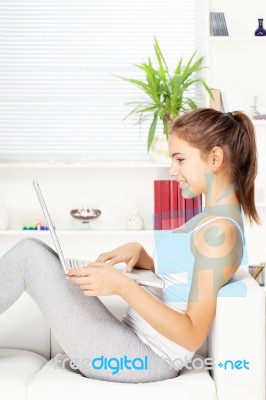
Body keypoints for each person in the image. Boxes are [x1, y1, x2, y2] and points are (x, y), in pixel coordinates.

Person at [0, 108, 260, 384]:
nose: (173, 171)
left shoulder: (219, 233)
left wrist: (124, 286)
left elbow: (193, 333)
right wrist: (144, 256)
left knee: (30, 256)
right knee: (41, 254)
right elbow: (186, 276)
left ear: (215, 158)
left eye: (180, 160)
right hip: (132, 344)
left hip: (144, 360)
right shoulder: (213, 219)